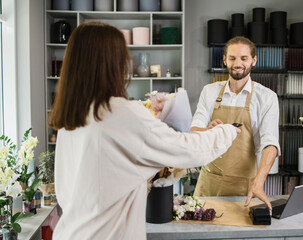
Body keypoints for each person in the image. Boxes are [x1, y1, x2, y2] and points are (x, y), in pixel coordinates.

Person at [48, 21, 240, 240]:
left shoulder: (72, 117)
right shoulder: (119, 112)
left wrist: (163, 115)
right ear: (112, 63)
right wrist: (227, 131)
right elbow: (187, 150)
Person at [191, 36, 280, 211]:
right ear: (224, 60)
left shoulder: (267, 97)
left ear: (254, 60)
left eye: (244, 58)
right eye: (232, 58)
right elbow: (195, 130)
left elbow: (270, 144)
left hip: (245, 187)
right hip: (209, 184)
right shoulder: (209, 92)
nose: (237, 63)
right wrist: (209, 131)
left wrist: (259, 183)